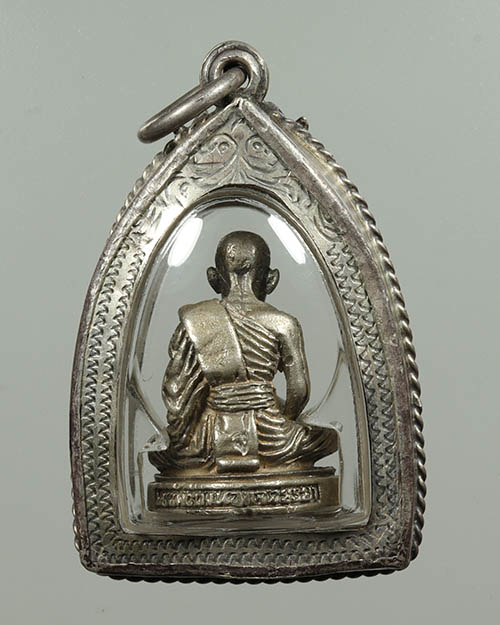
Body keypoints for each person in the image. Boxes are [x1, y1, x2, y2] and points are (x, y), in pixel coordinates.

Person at [149, 231, 337, 475]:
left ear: (213, 278)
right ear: (271, 280)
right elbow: (299, 391)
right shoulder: (284, 323)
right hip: (272, 439)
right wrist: (281, 419)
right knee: (327, 439)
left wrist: (185, 431)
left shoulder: (197, 320)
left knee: (159, 449)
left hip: (206, 440)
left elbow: (178, 392)